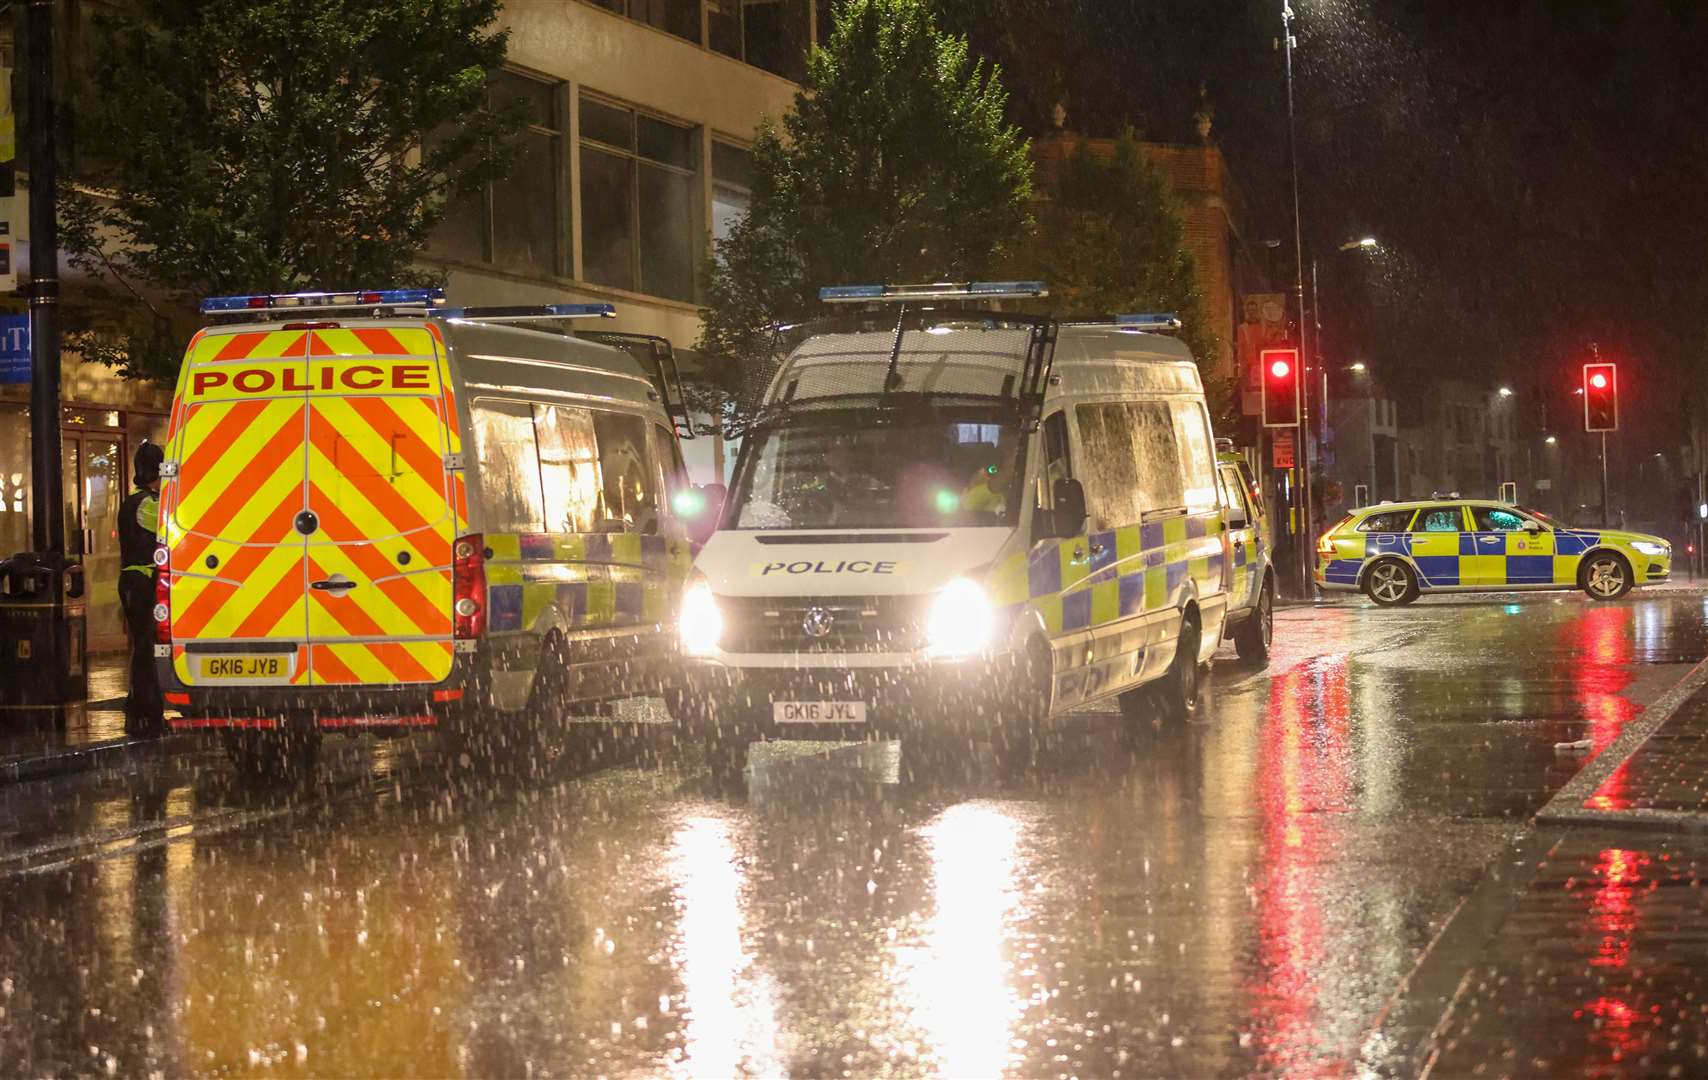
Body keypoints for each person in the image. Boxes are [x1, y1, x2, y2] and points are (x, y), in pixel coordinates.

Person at [120, 442, 166, 737]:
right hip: (140, 582)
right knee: (148, 648)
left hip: (134, 582)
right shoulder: (147, 504)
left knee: (144, 647)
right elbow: (170, 527)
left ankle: (139, 707)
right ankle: (146, 714)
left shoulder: (136, 500)